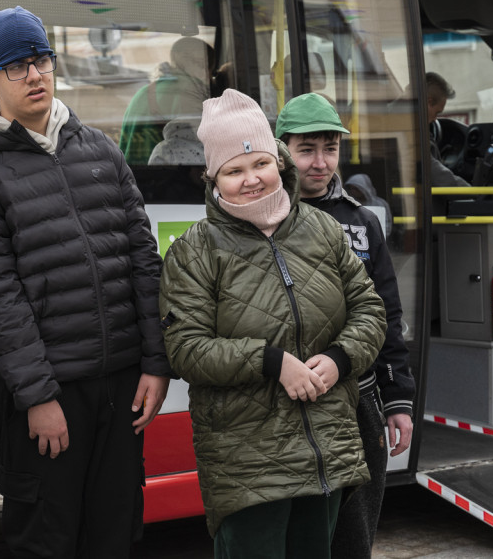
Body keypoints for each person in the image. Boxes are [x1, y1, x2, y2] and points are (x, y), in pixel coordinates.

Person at [0, 6, 171, 559]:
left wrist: (155, 362)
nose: (35, 75)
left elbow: (143, 261)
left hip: (122, 388)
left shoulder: (99, 149)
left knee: (115, 535)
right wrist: (38, 396)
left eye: (41, 59)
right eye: (17, 66)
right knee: (47, 539)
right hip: (49, 397)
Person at [160, 88, 386, 559]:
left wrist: (341, 358)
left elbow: (370, 309)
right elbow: (186, 347)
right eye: (234, 171)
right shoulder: (194, 250)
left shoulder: (323, 230)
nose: (251, 180)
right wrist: (272, 362)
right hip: (246, 465)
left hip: (325, 449)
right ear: (213, 178)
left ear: (278, 162)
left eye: (259, 164)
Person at [276, 92, 415, 558]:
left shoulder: (361, 222)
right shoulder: (263, 221)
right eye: (306, 149)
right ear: (281, 149)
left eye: (330, 149)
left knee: (353, 537)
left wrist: (398, 399)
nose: (320, 163)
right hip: (288, 404)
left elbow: (386, 313)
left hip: (361, 399)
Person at [118, 36, 213, 164]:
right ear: (181, 59)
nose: (207, 75)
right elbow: (200, 143)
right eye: (203, 65)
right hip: (163, 176)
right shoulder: (188, 90)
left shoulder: (145, 91)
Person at [426, 71, 470, 187]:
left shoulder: (396, 116)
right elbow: (436, 175)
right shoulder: (411, 131)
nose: (435, 119)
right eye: (437, 112)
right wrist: (474, 193)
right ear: (428, 102)